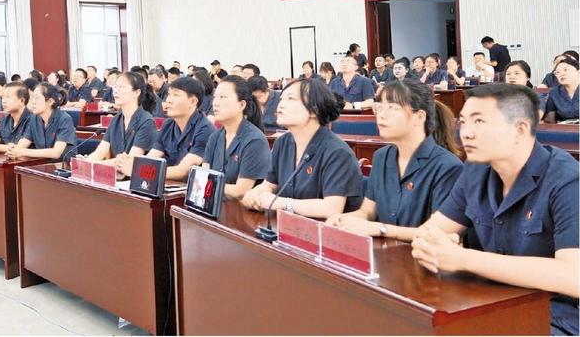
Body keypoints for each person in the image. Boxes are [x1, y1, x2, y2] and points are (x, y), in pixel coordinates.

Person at [410, 84, 578, 335]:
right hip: (489, 302)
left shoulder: (567, 180)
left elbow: (573, 277)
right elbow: (430, 231)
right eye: (463, 122)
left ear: (520, 129)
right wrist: (430, 246)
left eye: (479, 122)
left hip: (554, 316)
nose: (466, 133)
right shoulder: (475, 171)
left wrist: (463, 258)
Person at [325, 79, 463, 240]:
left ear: (419, 117)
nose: (382, 115)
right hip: (383, 250)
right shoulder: (381, 157)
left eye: (392, 108)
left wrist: (381, 229)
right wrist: (343, 219)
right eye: (380, 107)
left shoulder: (447, 166)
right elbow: (367, 212)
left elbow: (436, 232)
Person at [242, 78, 363, 218]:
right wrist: (256, 193)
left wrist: (281, 203)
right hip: (289, 226)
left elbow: (331, 208)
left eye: (290, 98)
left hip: (327, 229)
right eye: (281, 99)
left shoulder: (337, 152)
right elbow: (270, 184)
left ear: (314, 110)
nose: (281, 105)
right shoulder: (282, 143)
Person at [116, 77, 215, 182]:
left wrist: (139, 171)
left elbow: (183, 171)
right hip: (167, 185)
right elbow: (151, 158)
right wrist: (127, 163)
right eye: (169, 94)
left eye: (176, 95)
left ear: (193, 101)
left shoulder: (205, 130)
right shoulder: (168, 125)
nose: (168, 100)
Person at [202, 75, 271, 199]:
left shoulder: (255, 141)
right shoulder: (214, 137)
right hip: (214, 205)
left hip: (240, 209)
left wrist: (209, 184)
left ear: (241, 105)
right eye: (215, 97)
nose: (215, 103)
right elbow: (204, 175)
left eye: (222, 97)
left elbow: (240, 191)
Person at [88, 71, 158, 167]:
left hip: (132, 174)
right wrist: (84, 163)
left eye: (121, 87)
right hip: (115, 173)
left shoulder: (146, 122)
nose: (116, 91)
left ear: (136, 92)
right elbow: (100, 151)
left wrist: (94, 164)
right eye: (115, 87)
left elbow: (130, 161)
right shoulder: (115, 120)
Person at [8, 82, 77, 161]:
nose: (33, 102)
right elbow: (24, 142)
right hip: (42, 163)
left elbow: (56, 153)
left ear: (50, 102)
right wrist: (13, 150)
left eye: (36, 98)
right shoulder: (34, 118)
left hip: (63, 165)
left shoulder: (64, 119)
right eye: (32, 97)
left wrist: (22, 152)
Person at [544, 56, 579, 123]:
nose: (561, 74)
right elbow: (550, 117)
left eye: (565, 70)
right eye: (557, 72)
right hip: (565, 127)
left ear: (578, 71)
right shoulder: (554, 93)